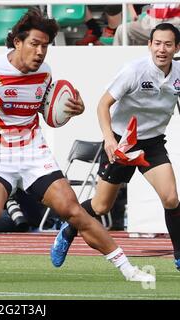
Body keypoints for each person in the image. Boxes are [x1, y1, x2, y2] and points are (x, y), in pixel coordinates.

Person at [0, 8, 154, 282]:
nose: (40, 52)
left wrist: (77, 109)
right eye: (34, 44)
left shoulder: (46, 73)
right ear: (17, 42)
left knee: (74, 211)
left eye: (45, 46)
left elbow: (50, 115)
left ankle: (129, 270)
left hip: (33, 152)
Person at [51, 23, 180, 271]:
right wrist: (109, 140)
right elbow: (103, 104)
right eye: (157, 43)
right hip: (122, 142)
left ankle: (178, 255)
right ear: (149, 45)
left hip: (152, 144)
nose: (161, 49)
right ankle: (68, 227)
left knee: (171, 198)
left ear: (176, 48)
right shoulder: (134, 71)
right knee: (101, 206)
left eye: (167, 44)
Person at [113, 4, 180, 46]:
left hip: (175, 22)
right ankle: (117, 64)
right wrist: (131, 9)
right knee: (123, 29)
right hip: (150, 21)